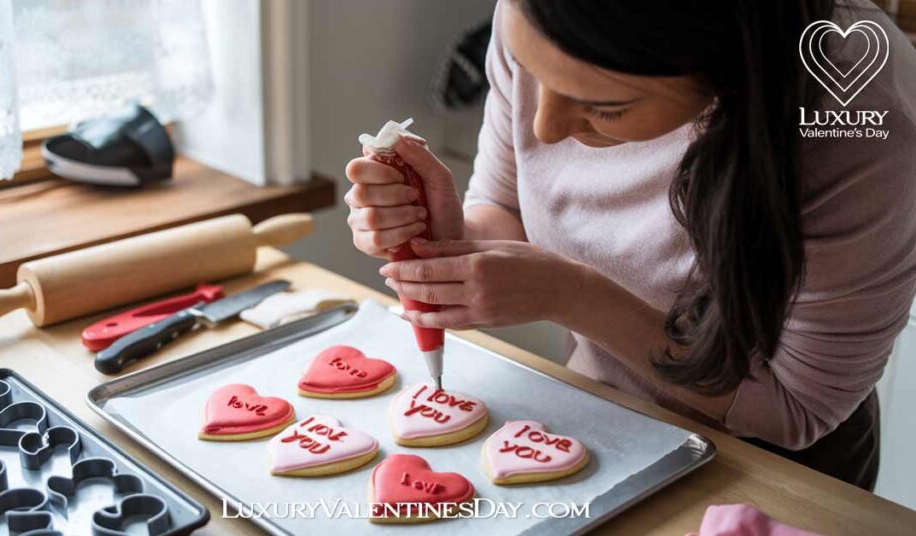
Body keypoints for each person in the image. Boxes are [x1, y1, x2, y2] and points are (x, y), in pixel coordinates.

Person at [344, 0, 916, 490]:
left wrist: (571, 295)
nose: (544, 128)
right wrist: (454, 237)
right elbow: (508, 209)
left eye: (606, 107)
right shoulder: (540, 16)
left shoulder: (863, 122)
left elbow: (794, 409)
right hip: (603, 419)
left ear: (731, 67)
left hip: (775, 474)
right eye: (530, 71)